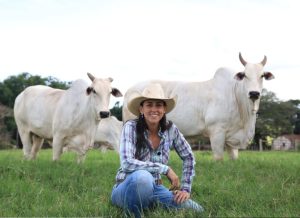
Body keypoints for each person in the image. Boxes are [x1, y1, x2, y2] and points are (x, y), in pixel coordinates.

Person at [111, 83, 204, 217]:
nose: (154, 109)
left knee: (195, 210)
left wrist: (185, 189)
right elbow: (127, 163)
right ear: (141, 109)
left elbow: (188, 156)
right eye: (149, 104)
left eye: (159, 105)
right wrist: (165, 169)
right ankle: (134, 213)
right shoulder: (130, 127)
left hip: (155, 188)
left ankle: (149, 203)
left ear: (164, 109)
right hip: (127, 186)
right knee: (143, 177)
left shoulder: (171, 130)